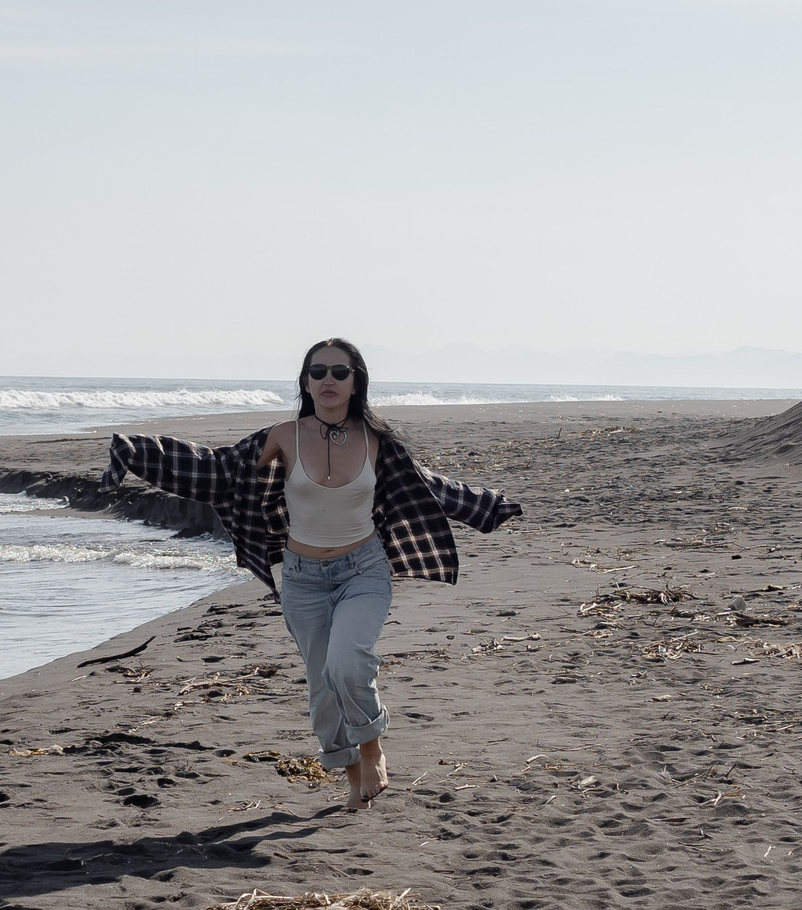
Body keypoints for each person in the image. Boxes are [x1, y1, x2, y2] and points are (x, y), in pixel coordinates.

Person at [100, 339, 522, 811]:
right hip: (302, 579)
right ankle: (350, 776)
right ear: (305, 381)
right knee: (322, 687)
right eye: (317, 371)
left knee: (348, 663)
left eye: (339, 372)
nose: (328, 380)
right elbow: (217, 469)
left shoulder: (377, 440)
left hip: (363, 569)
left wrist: (487, 506)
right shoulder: (284, 435)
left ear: (356, 380)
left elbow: (427, 487)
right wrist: (138, 452)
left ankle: (372, 746)